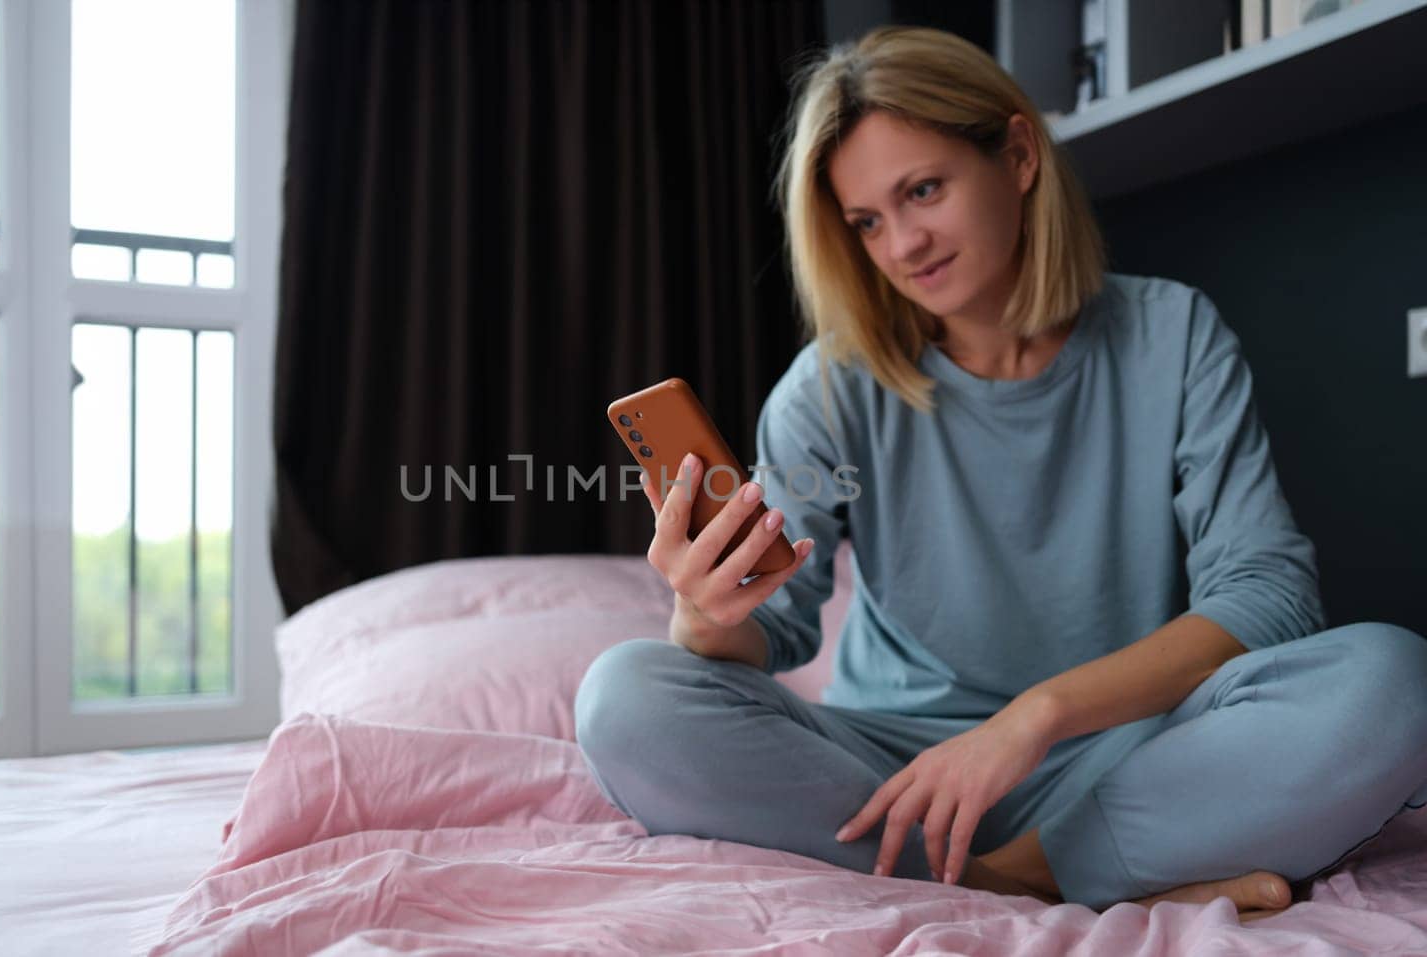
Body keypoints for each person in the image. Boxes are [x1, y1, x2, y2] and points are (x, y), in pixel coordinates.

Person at [573, 25, 1427, 919]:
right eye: (866, 221)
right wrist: (703, 610)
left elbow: (1268, 595)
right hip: (890, 774)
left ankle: (1018, 871)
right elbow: (773, 630)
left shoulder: (1173, 335)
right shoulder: (827, 389)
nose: (901, 245)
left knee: (1393, 680)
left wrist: (1033, 719)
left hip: (1118, 753)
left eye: (924, 190)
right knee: (626, 694)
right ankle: (1060, 877)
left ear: (1018, 156)